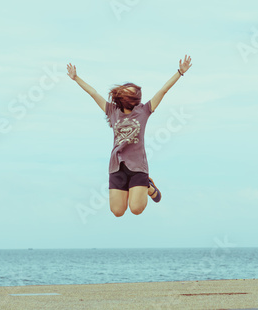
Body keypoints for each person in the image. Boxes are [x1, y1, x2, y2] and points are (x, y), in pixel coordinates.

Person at [67, 55, 192, 217]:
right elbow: (93, 93)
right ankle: (134, 188)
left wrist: (179, 72)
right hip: (116, 166)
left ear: (134, 98)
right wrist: (76, 78)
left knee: (136, 209)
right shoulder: (112, 111)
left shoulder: (144, 111)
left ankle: (148, 186)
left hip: (138, 167)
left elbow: (163, 90)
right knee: (117, 211)